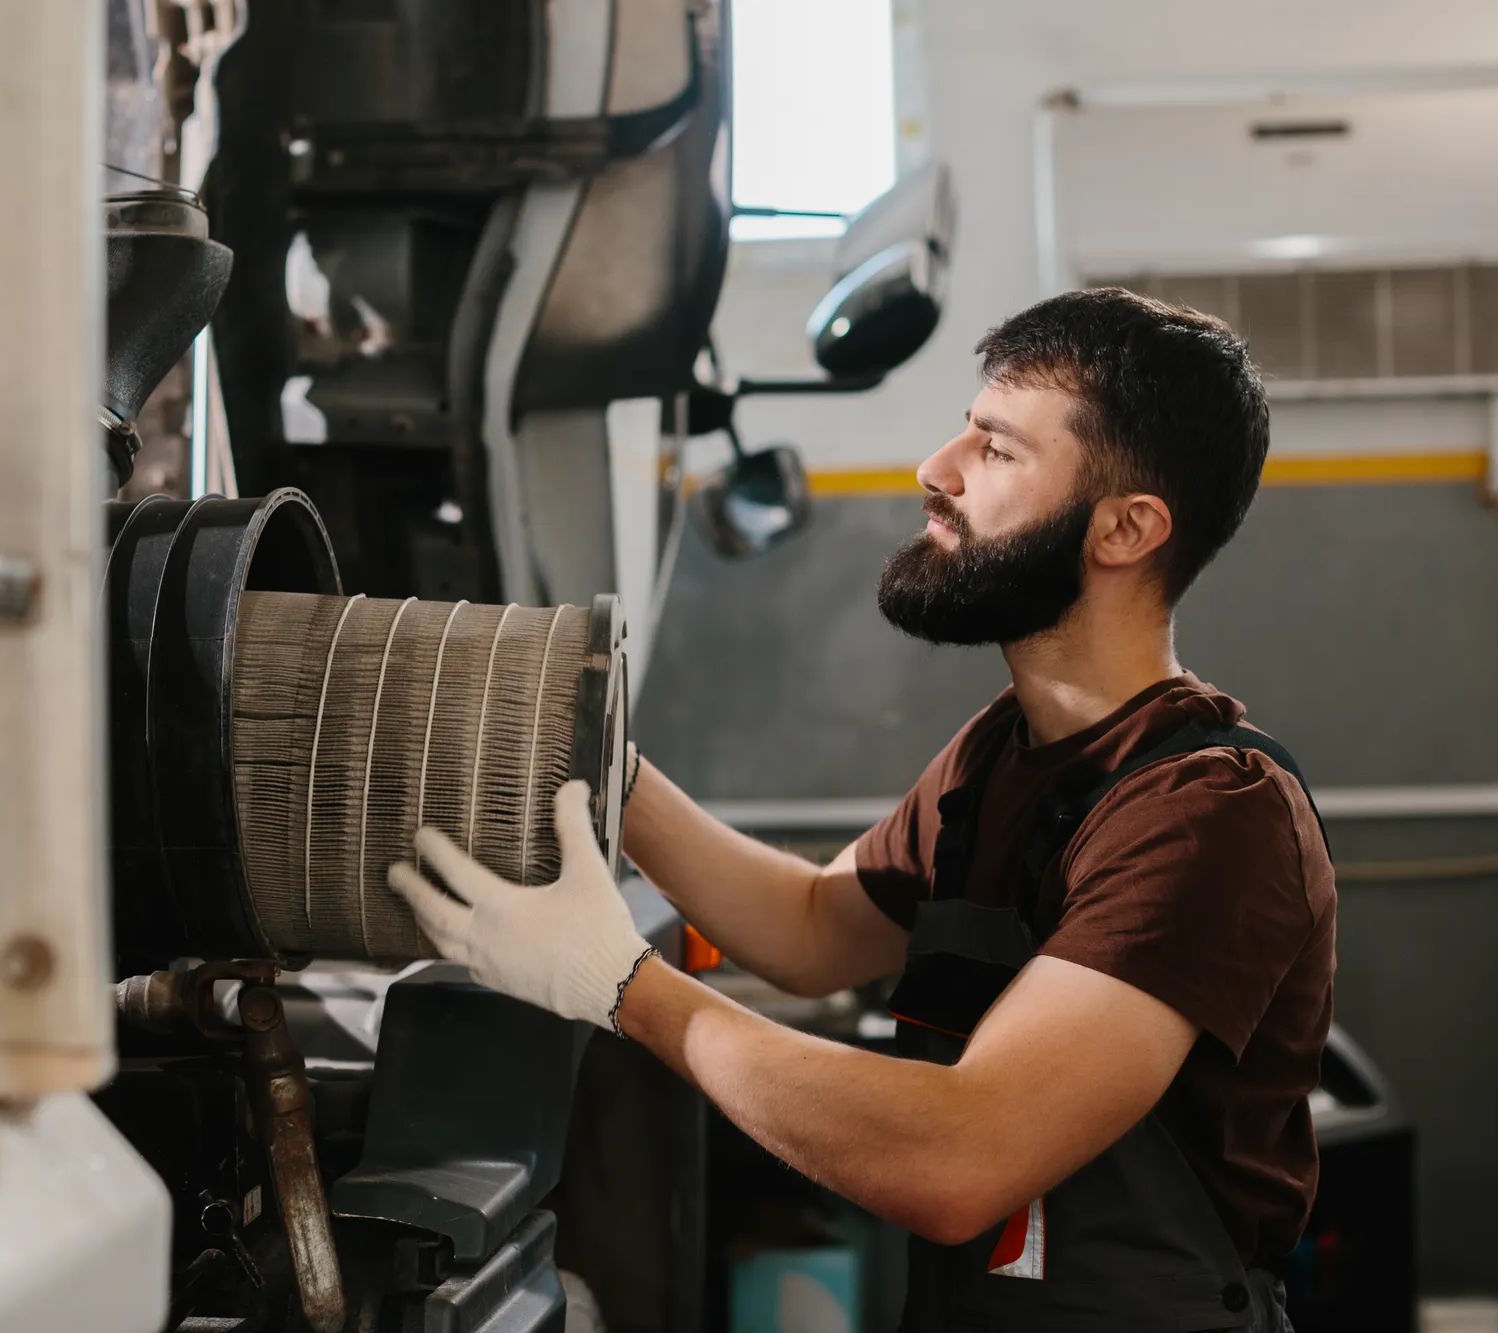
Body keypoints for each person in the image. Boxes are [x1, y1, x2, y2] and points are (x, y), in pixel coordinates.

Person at [390, 288, 1335, 1333]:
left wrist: (622, 986)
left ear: (1124, 527)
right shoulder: (1003, 754)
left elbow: (960, 1156)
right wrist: (599, 761)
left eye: (995, 448)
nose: (935, 469)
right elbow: (811, 928)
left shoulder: (1205, 811)